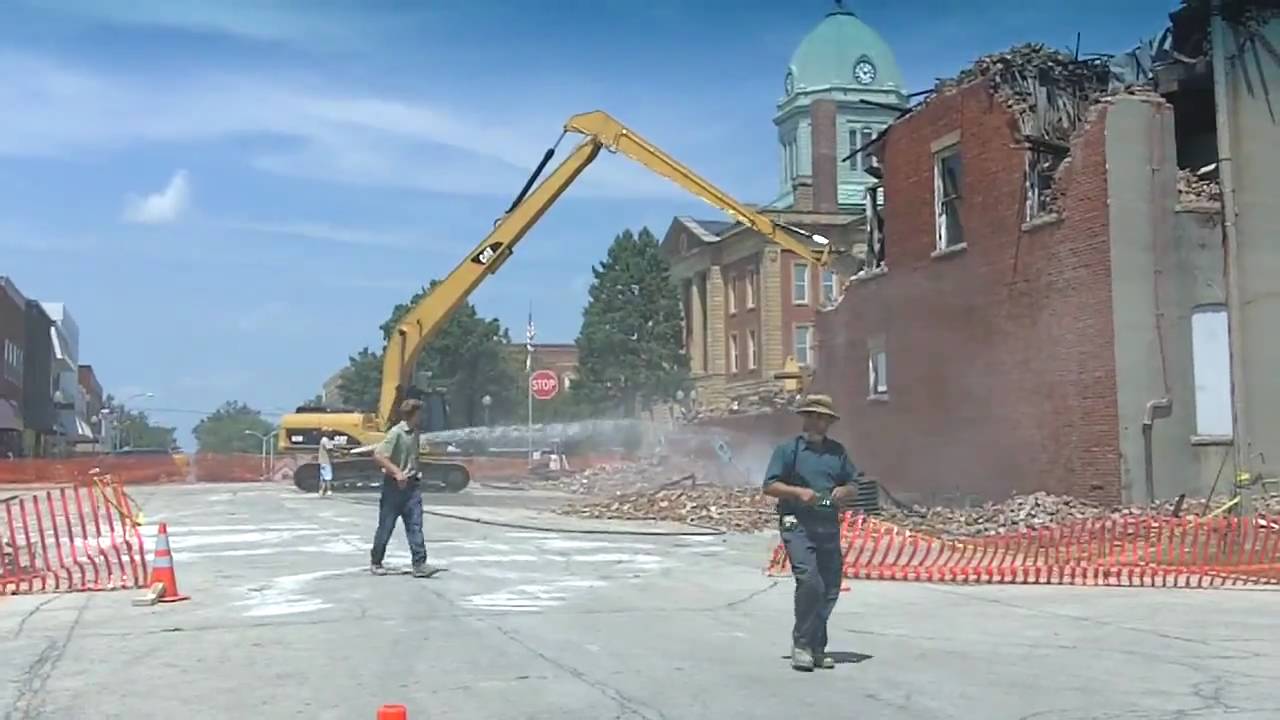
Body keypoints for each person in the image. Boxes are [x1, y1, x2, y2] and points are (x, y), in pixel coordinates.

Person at [762, 393, 858, 672]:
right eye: (813, 417)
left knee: (829, 587)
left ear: (829, 422)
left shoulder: (837, 452)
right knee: (809, 581)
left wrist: (845, 492)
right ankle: (802, 644)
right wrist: (796, 492)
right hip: (793, 520)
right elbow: (769, 485)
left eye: (823, 419)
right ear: (805, 418)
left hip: (827, 521)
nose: (818, 422)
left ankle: (817, 645)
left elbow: (855, 484)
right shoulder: (788, 450)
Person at [369, 399, 441, 578]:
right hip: (393, 487)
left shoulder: (416, 432)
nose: (422, 417)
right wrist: (397, 473)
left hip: (412, 487)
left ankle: (420, 564)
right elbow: (378, 455)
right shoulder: (396, 433)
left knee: (415, 525)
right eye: (420, 413)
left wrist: (416, 471)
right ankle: (376, 561)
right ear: (413, 414)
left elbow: (412, 457)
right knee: (386, 526)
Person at [317, 429, 336, 497]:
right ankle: (329, 490)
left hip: (322, 461)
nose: (331, 434)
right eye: (329, 432)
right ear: (326, 433)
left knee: (323, 478)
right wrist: (341, 452)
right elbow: (330, 449)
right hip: (326, 461)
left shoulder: (323, 439)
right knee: (328, 477)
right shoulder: (325, 440)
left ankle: (321, 491)